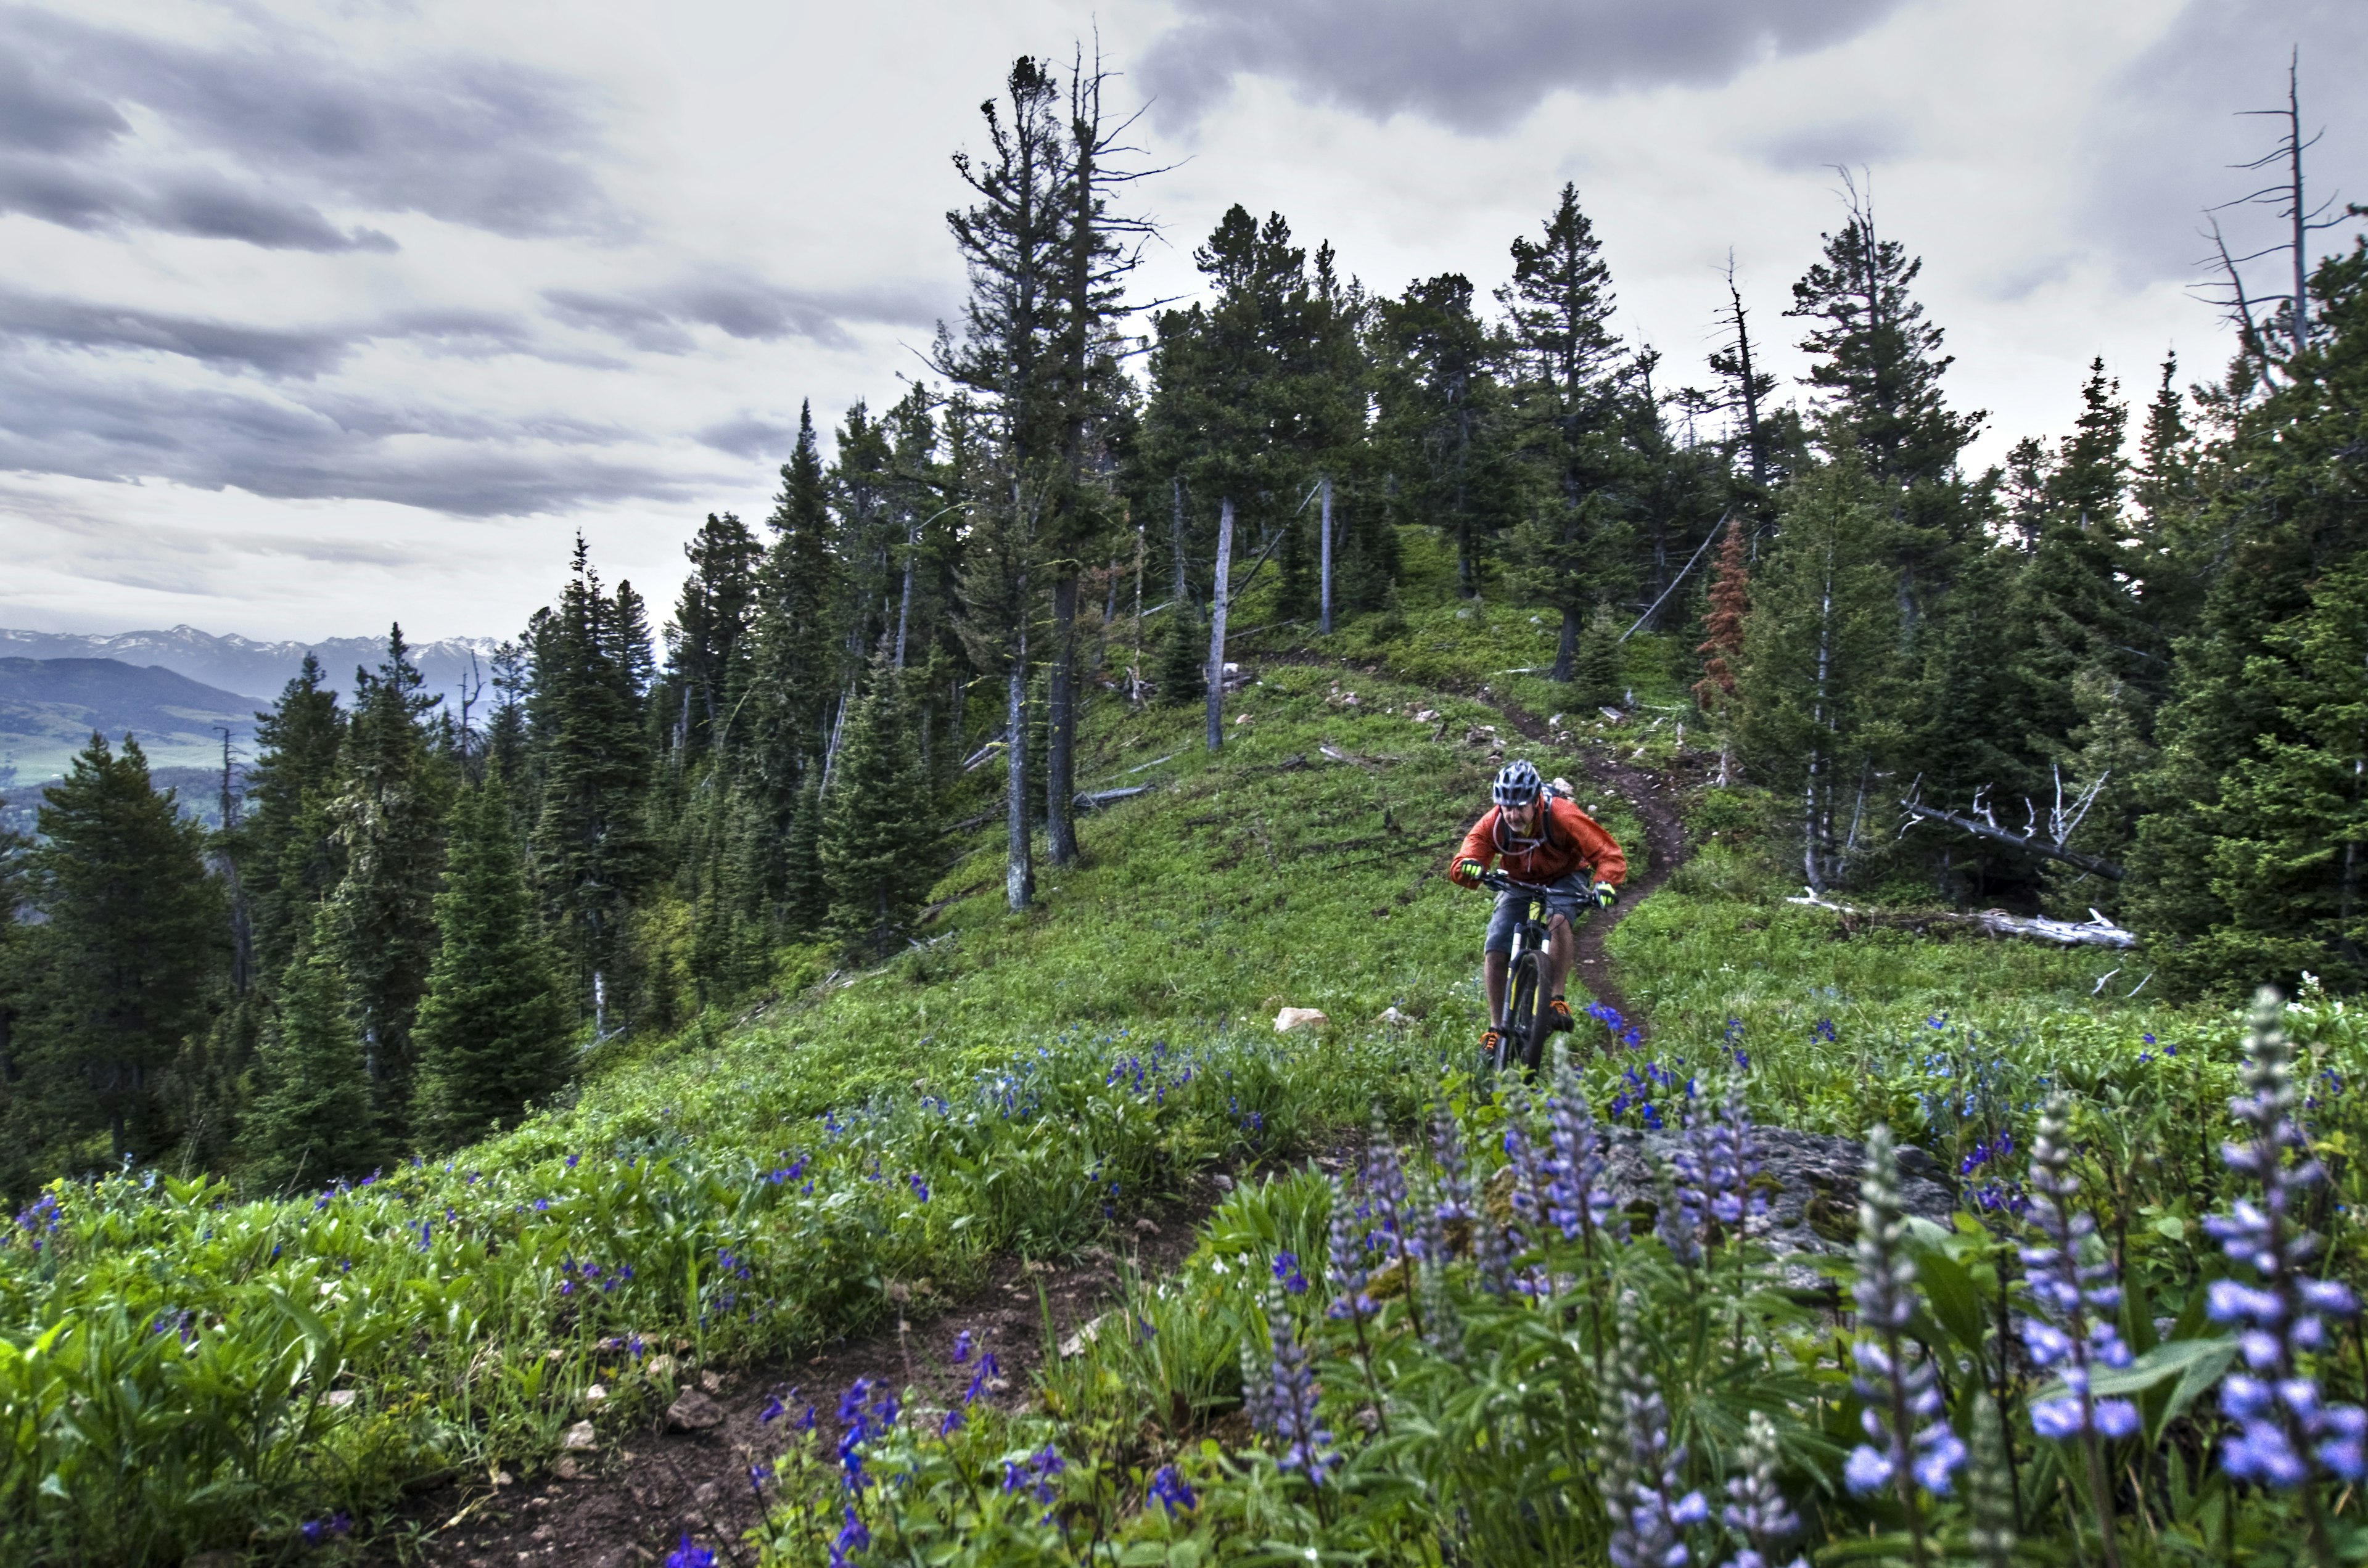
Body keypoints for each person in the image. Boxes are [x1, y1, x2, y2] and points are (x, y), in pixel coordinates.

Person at [1448, 758, 1626, 1069]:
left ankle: (1556, 999)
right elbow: (1469, 852)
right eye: (1506, 807)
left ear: (1535, 801)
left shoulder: (1562, 814)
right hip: (1519, 881)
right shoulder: (1494, 822)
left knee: (1558, 921)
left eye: (1520, 807)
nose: (1513, 814)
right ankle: (1495, 1028)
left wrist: (1605, 884)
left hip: (1565, 876)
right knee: (1495, 946)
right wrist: (1470, 867)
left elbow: (1606, 851)